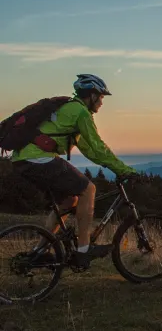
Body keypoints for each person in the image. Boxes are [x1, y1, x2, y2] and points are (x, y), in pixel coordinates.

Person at [11, 74, 139, 269]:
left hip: (24, 159)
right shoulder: (80, 112)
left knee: (69, 201)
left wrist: (115, 167)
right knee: (88, 189)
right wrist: (124, 170)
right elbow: (97, 147)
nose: (102, 102)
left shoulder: (70, 109)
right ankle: (83, 249)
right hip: (37, 158)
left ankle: (39, 251)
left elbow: (89, 149)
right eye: (101, 97)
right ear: (91, 95)